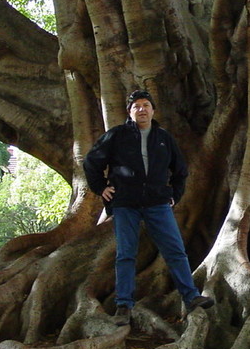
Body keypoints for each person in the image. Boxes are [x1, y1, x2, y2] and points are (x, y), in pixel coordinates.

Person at [83, 89, 215, 326]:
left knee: (175, 250)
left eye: (146, 105)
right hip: (125, 204)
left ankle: (191, 296)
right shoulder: (117, 135)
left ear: (153, 110)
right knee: (126, 255)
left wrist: (174, 194)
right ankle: (124, 306)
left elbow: (180, 170)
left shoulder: (163, 138)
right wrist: (101, 187)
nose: (141, 109)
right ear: (129, 112)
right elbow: (91, 162)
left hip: (157, 204)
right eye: (136, 106)